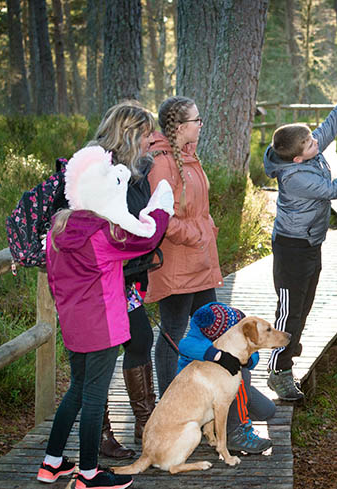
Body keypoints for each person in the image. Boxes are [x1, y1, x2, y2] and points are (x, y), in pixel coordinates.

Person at [36, 145, 173, 489]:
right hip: (103, 324)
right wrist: (160, 210)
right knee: (95, 396)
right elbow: (147, 239)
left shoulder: (58, 228)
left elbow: (54, 280)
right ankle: (89, 473)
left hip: (73, 323)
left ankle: (51, 463)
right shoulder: (103, 233)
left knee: (77, 391)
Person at [263, 70, 337, 401]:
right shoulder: (295, 177)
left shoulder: (303, 152)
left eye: (312, 140)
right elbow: (334, 189)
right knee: (289, 311)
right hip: (291, 249)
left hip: (311, 244)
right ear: (298, 157)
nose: (317, 142)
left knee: (305, 306)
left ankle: (287, 362)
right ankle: (277, 371)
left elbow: (327, 128)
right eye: (311, 143)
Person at [86, 100, 159, 457]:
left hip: (126, 278)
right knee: (99, 355)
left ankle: (148, 423)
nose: (152, 140)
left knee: (140, 337)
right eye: (147, 134)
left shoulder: (136, 169)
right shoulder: (99, 170)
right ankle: (101, 435)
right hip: (98, 280)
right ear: (129, 134)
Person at [145, 96, 224, 397]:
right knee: (173, 335)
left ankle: (200, 397)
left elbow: (197, 209)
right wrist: (196, 235)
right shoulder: (161, 163)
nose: (201, 125)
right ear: (179, 127)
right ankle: (168, 404)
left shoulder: (190, 157)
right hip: (176, 265)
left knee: (213, 327)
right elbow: (159, 217)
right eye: (196, 120)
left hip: (200, 262)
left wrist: (208, 230)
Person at [176, 302, 276, 454]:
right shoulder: (200, 336)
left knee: (266, 410)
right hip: (199, 394)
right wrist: (218, 355)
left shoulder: (234, 329)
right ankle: (236, 432)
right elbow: (185, 345)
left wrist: (247, 360)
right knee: (240, 374)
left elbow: (253, 353)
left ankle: (227, 417)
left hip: (224, 390)